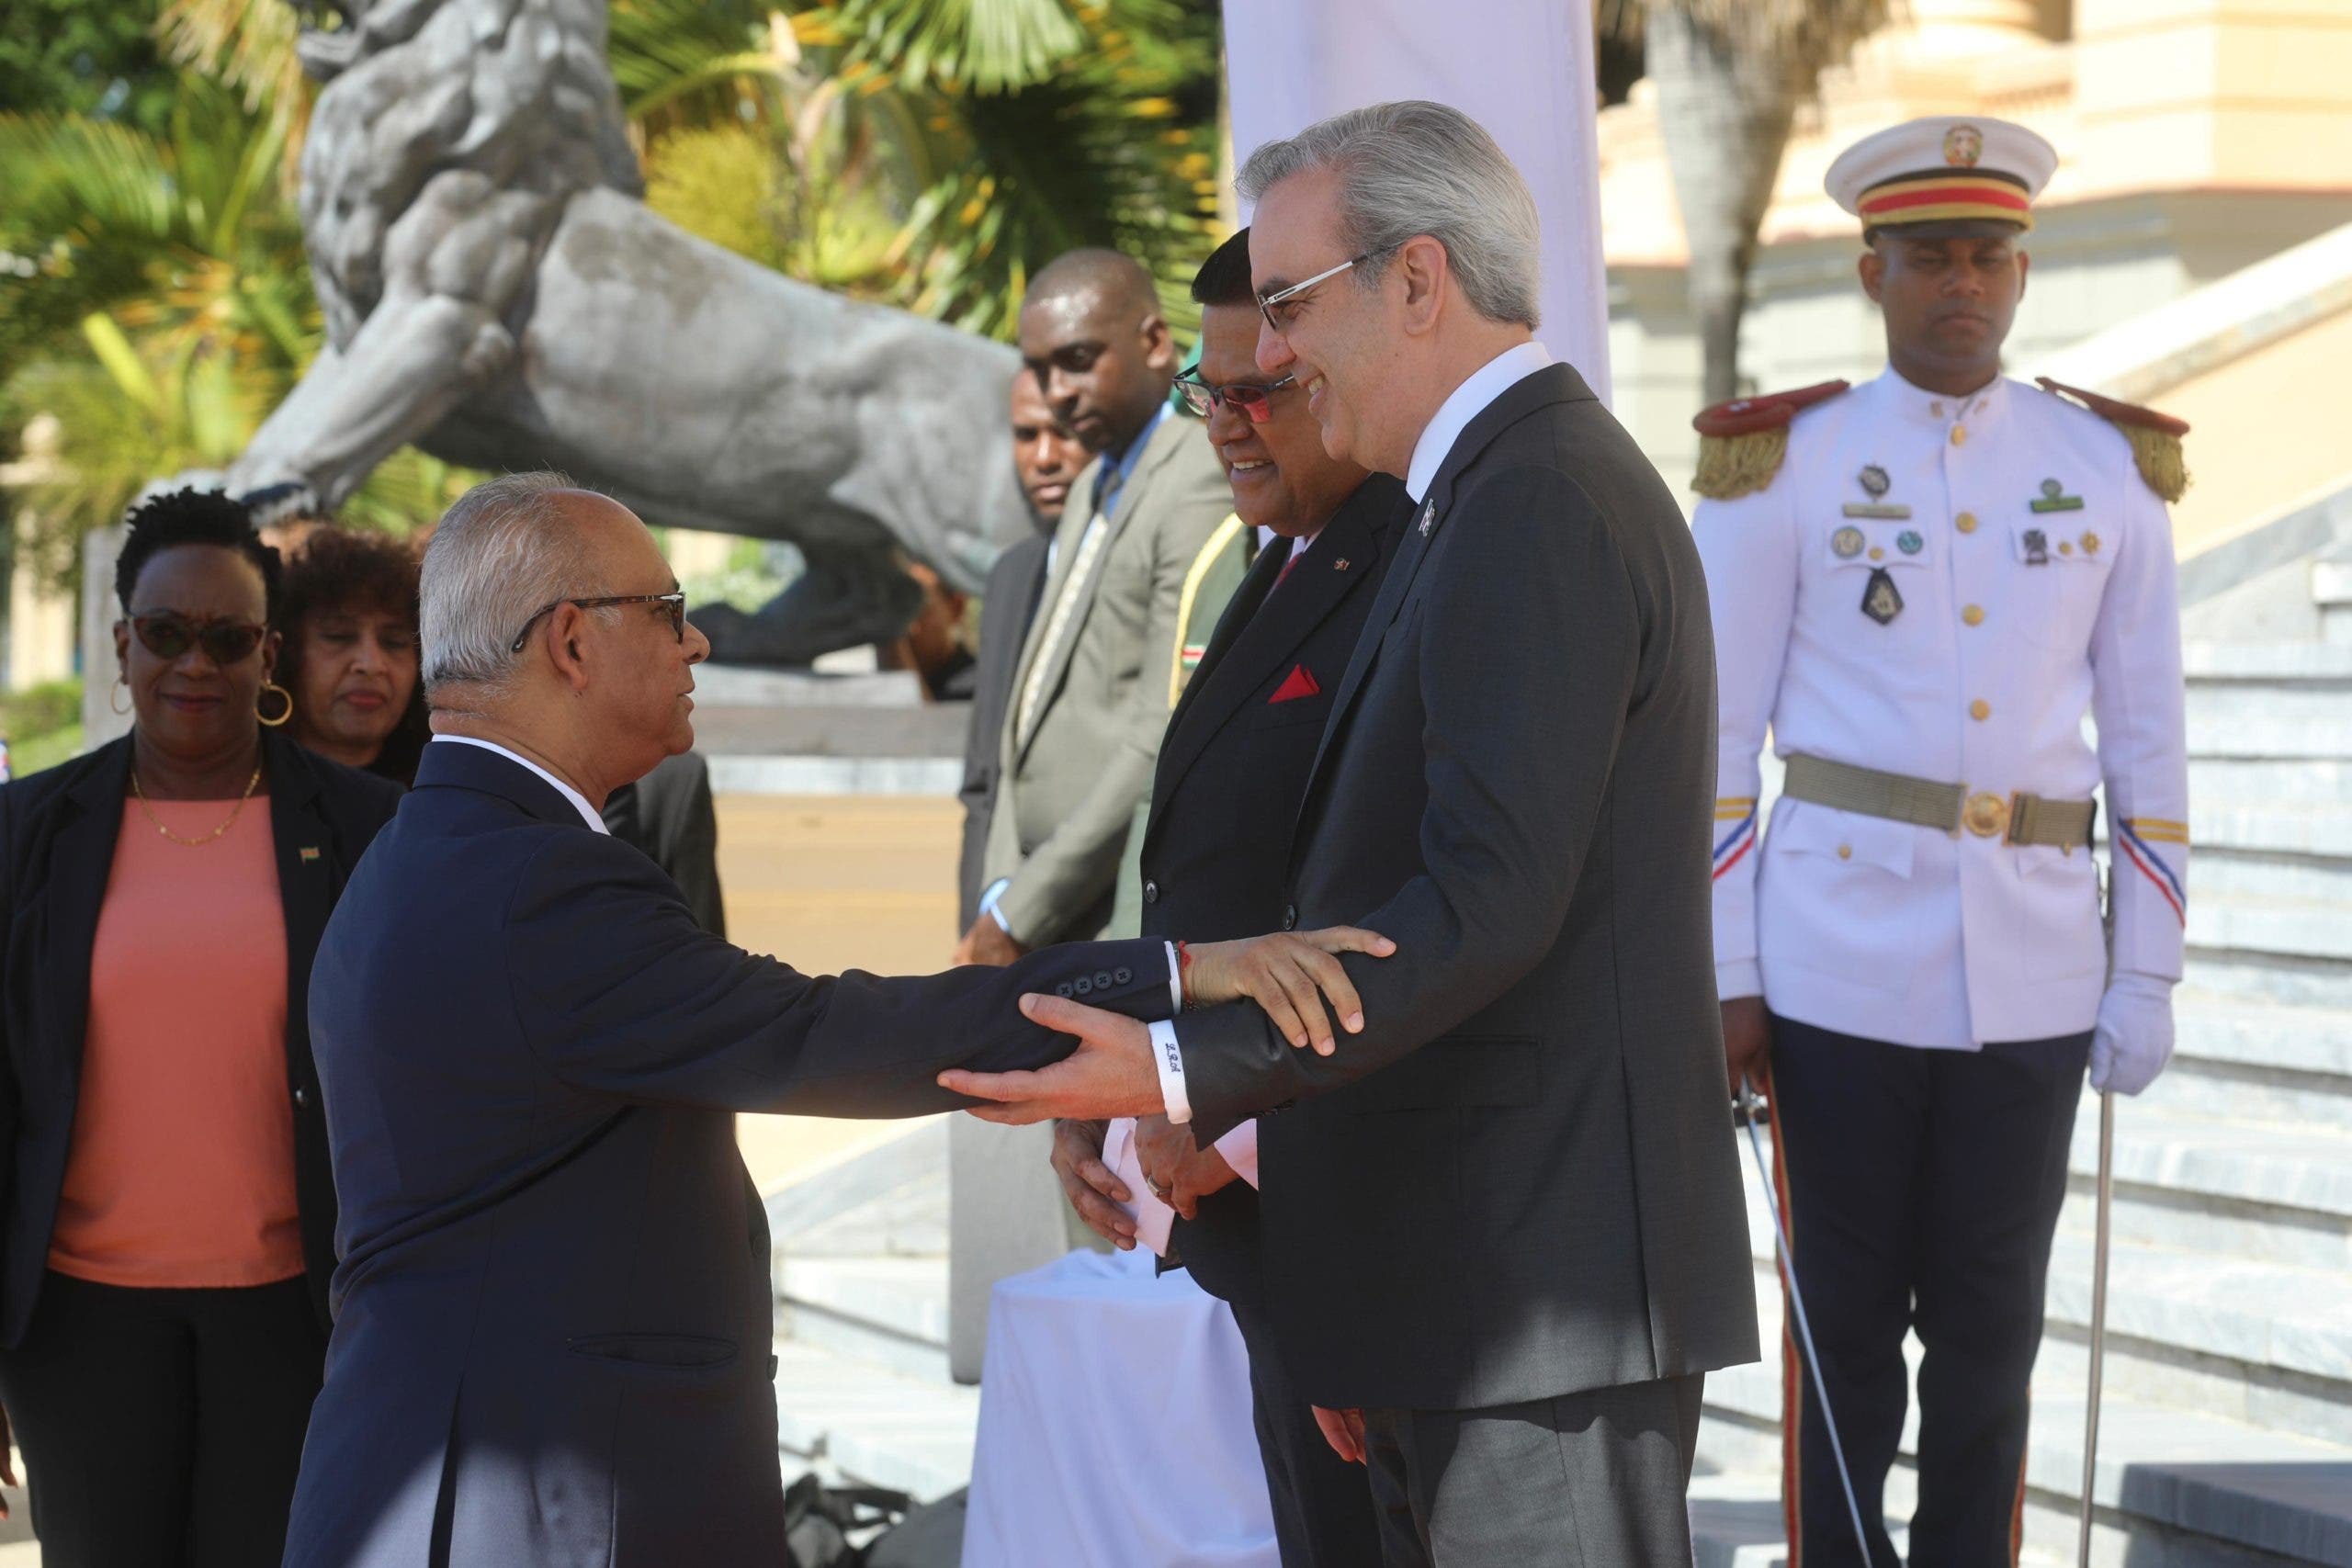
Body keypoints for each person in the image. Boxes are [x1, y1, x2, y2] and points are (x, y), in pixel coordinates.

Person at [280, 471, 1381, 1568]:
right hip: (532, 1496)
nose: (697, 644)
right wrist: (1179, 976)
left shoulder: (427, 856)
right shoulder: (534, 884)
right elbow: (820, 1035)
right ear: (570, 643)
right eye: (666, 614)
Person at [947, 101, 1758, 1567]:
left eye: (1291, 303)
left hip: (1536, 1309)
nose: (1272, 352)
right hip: (1462, 1293)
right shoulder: (1474, 497)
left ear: (1418, 281)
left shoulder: (1536, 498)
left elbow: (1486, 901)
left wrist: (1193, 1063)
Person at [1690, 117, 2188, 1568]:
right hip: (1832, 962)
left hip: (2034, 964)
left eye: (1987, 256)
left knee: (1993, 1338)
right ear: (1872, 269)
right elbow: (1713, 746)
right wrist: (1726, 969)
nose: (1960, 283)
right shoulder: (1783, 463)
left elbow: (2151, 743)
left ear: (2024, 273)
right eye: (1929, 258)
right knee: (1841, 1331)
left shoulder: (2104, 468)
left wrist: (2144, 967)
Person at [1051, 227, 1407, 1567]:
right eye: (1213, 392)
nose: (1231, 425)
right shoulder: (1279, 561)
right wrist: (1139, 1088)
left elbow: (1384, 914)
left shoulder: (1399, 567)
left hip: (1331, 1180)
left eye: (1263, 388)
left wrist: (1223, 1120)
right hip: (1247, 1185)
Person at [0, 489, 402, 1568]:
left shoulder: (368, 834)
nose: (193, 665)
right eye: (166, 636)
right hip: (78, 1326)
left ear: (266, 654)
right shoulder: (25, 836)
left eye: (225, 640)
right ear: (121, 641)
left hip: (295, 1320)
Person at [945, 249, 1239, 1379]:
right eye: (1039, 368)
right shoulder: (1105, 478)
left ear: (1156, 346)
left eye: (1079, 359)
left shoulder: (1191, 478)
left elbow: (1154, 733)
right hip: (1055, 912)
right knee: (1096, 1224)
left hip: (1116, 912)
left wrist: (1025, 900)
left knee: (1138, 1245)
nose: (1058, 391)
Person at [956, 375, 1087, 928]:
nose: (1044, 458)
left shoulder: (1156, 565)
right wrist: (979, 926)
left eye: (1063, 434)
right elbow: (984, 781)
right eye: (1026, 435)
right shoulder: (1012, 575)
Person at [277, 525, 430, 785]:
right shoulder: (244, 787)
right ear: (284, 651)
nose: (370, 664)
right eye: (339, 636)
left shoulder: (444, 791)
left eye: (394, 642)